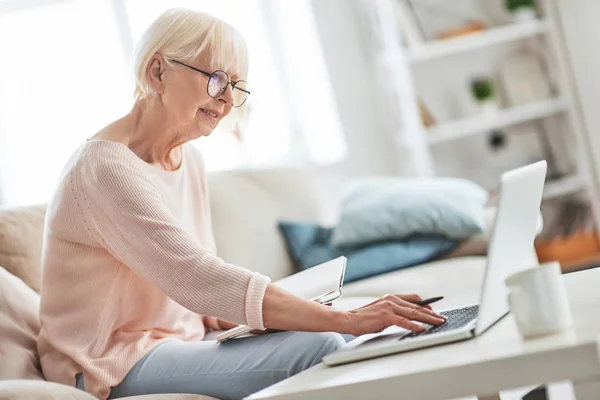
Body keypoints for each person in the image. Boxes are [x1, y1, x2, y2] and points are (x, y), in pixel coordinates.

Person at [37, 8, 446, 400]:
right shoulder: (105, 168)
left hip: (178, 342)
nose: (227, 100)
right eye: (216, 80)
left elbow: (203, 296)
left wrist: (320, 313)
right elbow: (198, 278)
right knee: (321, 344)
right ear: (157, 71)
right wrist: (348, 318)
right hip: (106, 363)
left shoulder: (188, 159)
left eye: (236, 87)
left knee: (341, 334)